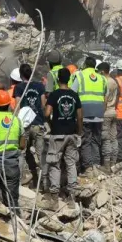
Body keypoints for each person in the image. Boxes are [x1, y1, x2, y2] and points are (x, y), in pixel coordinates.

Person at [44, 69, 82, 197]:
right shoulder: (74, 95)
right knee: (71, 163)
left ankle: (54, 195)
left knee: (55, 164)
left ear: (58, 79)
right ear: (69, 79)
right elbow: (80, 116)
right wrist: (79, 131)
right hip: (71, 133)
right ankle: (72, 195)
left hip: (57, 134)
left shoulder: (54, 95)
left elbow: (47, 113)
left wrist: (50, 124)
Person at [13, 62, 47, 187]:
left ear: (21, 75)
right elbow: (43, 105)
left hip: (24, 125)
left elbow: (17, 107)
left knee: (21, 152)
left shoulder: (19, 88)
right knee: (41, 154)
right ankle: (44, 183)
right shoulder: (39, 86)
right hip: (38, 124)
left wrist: (16, 122)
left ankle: (19, 181)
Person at [77, 56, 107, 171]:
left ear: (85, 64)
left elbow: (73, 93)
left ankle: (88, 166)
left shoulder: (79, 75)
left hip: (85, 113)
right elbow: (105, 96)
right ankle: (97, 164)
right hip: (99, 114)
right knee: (96, 139)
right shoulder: (102, 78)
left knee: (86, 140)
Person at [101, 61, 120, 169]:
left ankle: (107, 164)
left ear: (103, 71)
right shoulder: (114, 81)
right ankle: (114, 162)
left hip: (107, 112)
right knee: (114, 138)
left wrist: (101, 112)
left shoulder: (105, 82)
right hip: (114, 111)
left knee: (106, 139)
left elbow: (105, 99)